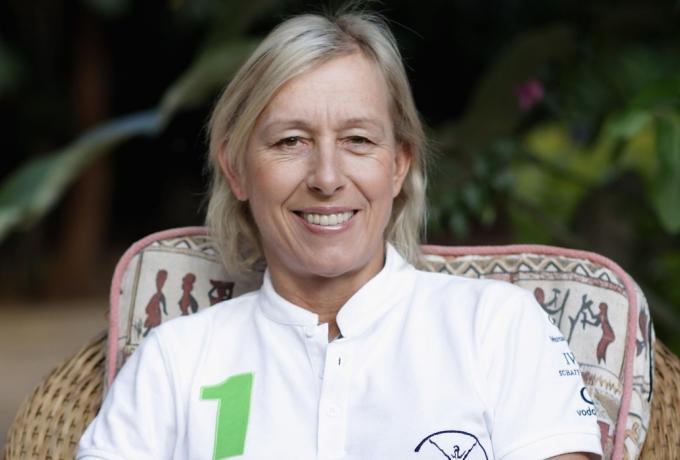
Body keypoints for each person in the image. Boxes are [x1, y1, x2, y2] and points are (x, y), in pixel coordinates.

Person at [77, 7, 602, 460]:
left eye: (357, 140)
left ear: (398, 166)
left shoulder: (496, 327)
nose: (327, 178)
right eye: (290, 141)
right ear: (236, 169)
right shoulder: (176, 361)